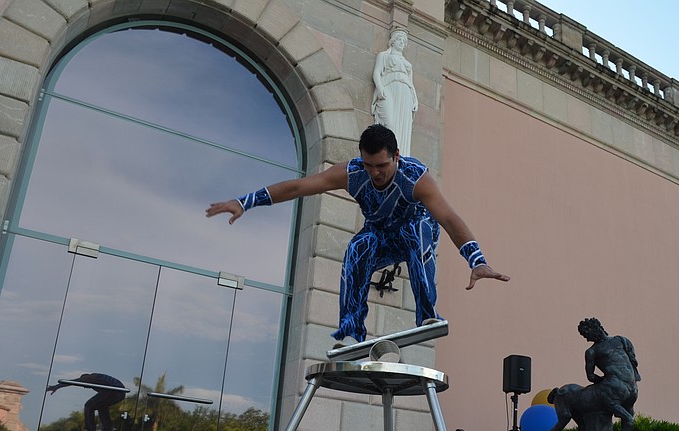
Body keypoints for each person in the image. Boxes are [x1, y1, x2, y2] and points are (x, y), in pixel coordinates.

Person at [206, 124, 509, 345]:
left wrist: (476, 260)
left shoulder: (416, 178)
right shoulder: (352, 173)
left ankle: (427, 313)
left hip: (416, 229)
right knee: (357, 248)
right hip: (379, 234)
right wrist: (245, 202)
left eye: (382, 166)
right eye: (369, 165)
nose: (376, 174)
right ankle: (351, 331)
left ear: (397, 156)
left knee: (416, 230)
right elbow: (300, 187)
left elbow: (449, 218)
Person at [372, 29, 418, 156]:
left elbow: (411, 82)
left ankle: (399, 155)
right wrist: (380, 88)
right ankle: (385, 153)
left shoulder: (406, 63)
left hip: (405, 93)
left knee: (403, 126)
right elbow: (377, 72)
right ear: (392, 42)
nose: (402, 43)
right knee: (389, 123)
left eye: (404, 41)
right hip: (389, 88)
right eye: (399, 40)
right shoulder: (384, 56)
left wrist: (415, 99)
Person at [46, 373, 126, 431]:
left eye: (84, 385)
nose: (85, 387)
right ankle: (108, 426)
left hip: (113, 389)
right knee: (101, 406)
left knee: (89, 405)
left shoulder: (89, 378)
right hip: (121, 393)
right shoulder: (96, 377)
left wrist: (56, 387)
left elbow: (72, 382)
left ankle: (90, 429)